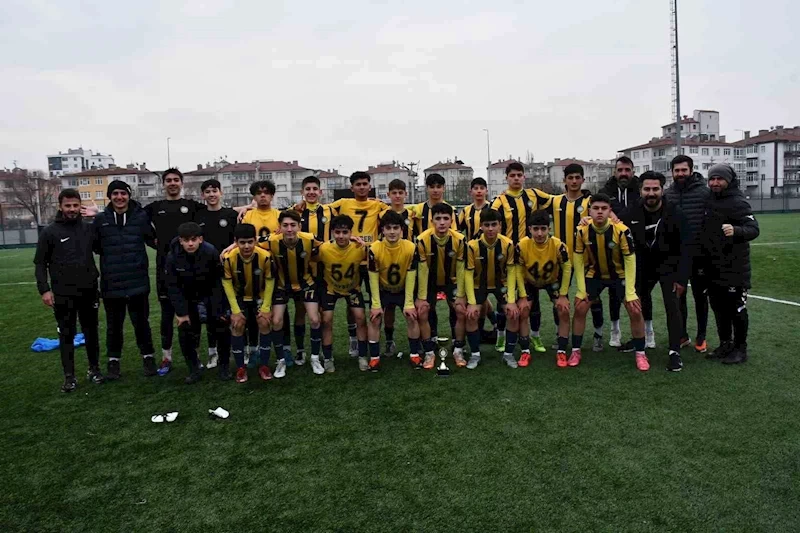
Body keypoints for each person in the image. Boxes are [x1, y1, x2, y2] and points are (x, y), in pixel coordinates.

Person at [297, 171, 388, 357]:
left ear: (369, 186)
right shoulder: (342, 203)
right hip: (345, 257)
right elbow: (319, 207)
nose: (361, 187)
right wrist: (301, 204)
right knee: (348, 297)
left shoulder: (378, 205)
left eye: (364, 184)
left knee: (372, 303)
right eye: (358, 184)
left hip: (367, 258)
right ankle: (353, 338)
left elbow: (399, 210)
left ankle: (376, 342)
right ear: (351, 187)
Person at [141, 168, 210, 375]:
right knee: (167, 315)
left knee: (193, 315)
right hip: (165, 268)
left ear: (181, 183)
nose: (172, 183)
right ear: (163, 184)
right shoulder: (155, 207)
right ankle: (166, 357)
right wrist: (153, 242)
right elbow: (136, 220)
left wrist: (248, 206)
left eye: (176, 180)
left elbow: (216, 209)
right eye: (168, 180)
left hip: (190, 270)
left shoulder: (191, 206)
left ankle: (195, 356)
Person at [34, 189, 103, 392]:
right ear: (60, 206)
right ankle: (69, 376)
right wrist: (44, 290)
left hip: (89, 290)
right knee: (66, 334)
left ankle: (94, 369)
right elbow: (40, 263)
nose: (72, 209)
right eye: (68, 205)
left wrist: (98, 216)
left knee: (91, 332)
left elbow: (102, 248)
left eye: (75, 205)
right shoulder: (50, 232)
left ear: (80, 205)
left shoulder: (89, 228)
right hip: (63, 293)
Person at [620, 171, 690, 371]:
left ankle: (674, 351)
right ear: (640, 190)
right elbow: (614, 227)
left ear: (662, 190)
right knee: (639, 303)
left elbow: (686, 247)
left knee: (672, 306)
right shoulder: (631, 212)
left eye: (655, 189)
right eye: (647, 189)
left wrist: (682, 278)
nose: (651, 193)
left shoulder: (675, 213)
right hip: (643, 266)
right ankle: (640, 340)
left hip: (669, 266)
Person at [571, 193, 648, 371]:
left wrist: (630, 292)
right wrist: (581, 289)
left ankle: (640, 353)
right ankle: (575, 351)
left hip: (618, 275)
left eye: (604, 208)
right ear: (589, 211)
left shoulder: (621, 230)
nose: (600, 212)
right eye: (596, 208)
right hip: (594, 274)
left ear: (609, 211)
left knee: (635, 309)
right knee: (580, 307)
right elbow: (578, 259)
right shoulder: (582, 230)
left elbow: (630, 259)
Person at [92, 180, 157, 380]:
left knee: (141, 323)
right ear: (109, 196)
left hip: (138, 282)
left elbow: (153, 240)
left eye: (123, 193)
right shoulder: (100, 220)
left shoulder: (141, 217)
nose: (119, 197)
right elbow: (96, 246)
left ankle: (148, 358)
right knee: (114, 326)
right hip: (111, 284)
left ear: (129, 195)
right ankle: (113, 362)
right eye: (115, 194)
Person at [701, 164, 759, 364]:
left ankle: (740, 349)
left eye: (720, 179)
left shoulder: (738, 202)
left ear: (729, 180)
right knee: (718, 308)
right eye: (712, 179)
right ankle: (725, 344)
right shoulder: (708, 200)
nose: (715, 183)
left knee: (736, 308)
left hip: (735, 268)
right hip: (713, 267)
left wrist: (737, 230)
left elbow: (753, 229)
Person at [165, 222, 231, 383]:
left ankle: (224, 367)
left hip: (210, 294)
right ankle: (194, 368)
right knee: (185, 332)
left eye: (193, 239)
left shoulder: (210, 252)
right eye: (186, 240)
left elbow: (218, 282)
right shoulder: (172, 257)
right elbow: (173, 287)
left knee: (222, 327)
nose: (190, 243)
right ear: (180, 240)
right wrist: (181, 313)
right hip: (188, 298)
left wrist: (219, 308)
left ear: (200, 239)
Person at [548, 164, 604, 351]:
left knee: (592, 298)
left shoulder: (590, 202)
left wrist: (591, 219)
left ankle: (598, 334)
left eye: (577, 177)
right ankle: (559, 334)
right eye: (570, 178)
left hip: (586, 260)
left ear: (583, 180)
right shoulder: (555, 201)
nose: (573, 181)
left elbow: (606, 216)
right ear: (564, 180)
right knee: (558, 298)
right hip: (560, 260)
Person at [267, 210, 325, 377]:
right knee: (276, 321)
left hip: (305, 284)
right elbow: (249, 241)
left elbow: (329, 245)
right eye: (285, 225)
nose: (289, 229)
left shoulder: (310, 239)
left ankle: (313, 357)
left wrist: (353, 239)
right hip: (282, 286)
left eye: (293, 225)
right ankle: (281, 361)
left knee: (314, 319)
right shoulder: (271, 240)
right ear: (279, 227)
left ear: (299, 226)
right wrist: (231, 247)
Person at [665, 155, 711, 353]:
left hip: (700, 255)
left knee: (700, 297)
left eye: (684, 170)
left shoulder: (704, 193)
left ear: (691, 170)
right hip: (677, 257)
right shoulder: (668, 194)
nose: (680, 173)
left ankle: (701, 336)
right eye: (677, 170)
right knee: (678, 297)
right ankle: (682, 335)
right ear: (672, 172)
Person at [514, 210, 572, 367]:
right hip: (530, 281)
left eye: (543, 229)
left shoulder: (558, 245)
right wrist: (523, 296)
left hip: (551, 281)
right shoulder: (522, 245)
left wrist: (563, 295)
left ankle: (561, 351)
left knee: (563, 309)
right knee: (523, 310)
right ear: (530, 229)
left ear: (549, 229)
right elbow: (518, 270)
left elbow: (567, 267)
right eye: (536, 229)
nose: (539, 233)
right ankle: (525, 351)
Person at [463, 208, 520, 369]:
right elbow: (468, 275)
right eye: (486, 225)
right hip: (478, 284)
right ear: (481, 226)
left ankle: (508, 354)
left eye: (494, 225)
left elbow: (511, 272)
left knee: (513, 313)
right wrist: (472, 302)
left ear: (500, 225)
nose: (490, 229)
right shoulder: (472, 246)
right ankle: (475, 354)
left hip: (501, 284)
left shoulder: (508, 244)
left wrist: (511, 300)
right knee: (471, 315)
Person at [415, 203, 467, 369]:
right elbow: (422, 270)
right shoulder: (422, 240)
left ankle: (458, 349)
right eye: (438, 218)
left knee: (460, 310)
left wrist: (461, 295)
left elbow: (461, 268)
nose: (442, 222)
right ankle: (429, 352)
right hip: (430, 281)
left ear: (451, 221)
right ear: (432, 221)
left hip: (451, 281)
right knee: (423, 311)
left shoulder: (459, 240)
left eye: (446, 218)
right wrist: (421, 298)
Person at [314, 215, 368, 372]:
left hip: (352, 288)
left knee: (360, 317)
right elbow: (311, 258)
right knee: (326, 320)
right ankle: (328, 358)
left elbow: (374, 256)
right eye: (337, 232)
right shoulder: (324, 249)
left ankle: (362, 356)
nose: (341, 236)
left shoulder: (359, 248)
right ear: (332, 232)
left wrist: (365, 245)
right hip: (330, 288)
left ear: (351, 232)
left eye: (345, 232)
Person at [222, 224, 276, 383]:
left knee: (264, 322)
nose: (246, 246)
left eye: (250, 242)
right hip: (239, 297)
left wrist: (266, 307)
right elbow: (227, 283)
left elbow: (270, 281)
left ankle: (264, 365)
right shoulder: (229, 258)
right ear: (236, 242)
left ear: (255, 241)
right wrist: (235, 310)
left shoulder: (265, 256)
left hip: (259, 296)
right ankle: (240, 368)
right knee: (237, 324)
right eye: (242, 242)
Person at [367, 211, 420, 370]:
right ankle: (374, 358)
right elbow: (373, 277)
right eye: (388, 228)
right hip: (383, 289)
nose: (392, 232)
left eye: (395, 228)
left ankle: (415, 354)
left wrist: (409, 303)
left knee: (412, 317)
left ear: (401, 230)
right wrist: (376, 304)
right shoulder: (374, 248)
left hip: (403, 289)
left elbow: (411, 276)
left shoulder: (410, 248)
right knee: (375, 318)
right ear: (382, 230)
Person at [194, 178, 238, 369]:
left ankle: (236, 349)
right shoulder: (198, 215)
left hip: (230, 270)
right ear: (202, 195)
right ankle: (213, 353)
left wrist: (228, 249)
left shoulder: (230, 215)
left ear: (221, 192)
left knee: (233, 311)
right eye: (208, 192)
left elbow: (239, 239)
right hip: (206, 272)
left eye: (214, 191)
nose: (211, 195)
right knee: (211, 315)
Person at [595, 157, 639, 348]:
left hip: (638, 247)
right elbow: (599, 210)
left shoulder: (640, 189)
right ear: (614, 172)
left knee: (639, 293)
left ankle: (647, 332)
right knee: (614, 292)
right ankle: (615, 330)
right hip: (611, 248)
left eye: (627, 170)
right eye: (620, 170)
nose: (623, 173)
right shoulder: (606, 190)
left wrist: (619, 217)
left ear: (633, 172)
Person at [241, 180, 281, 365]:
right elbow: (244, 239)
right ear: (254, 197)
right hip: (252, 267)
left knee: (278, 312)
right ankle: (254, 349)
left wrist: (260, 239)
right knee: (252, 312)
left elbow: (283, 236)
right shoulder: (248, 215)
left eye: (266, 192)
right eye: (259, 193)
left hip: (276, 267)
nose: (263, 195)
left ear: (272, 195)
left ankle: (283, 349)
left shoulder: (279, 215)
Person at [376, 178, 415, 356]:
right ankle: (389, 341)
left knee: (412, 307)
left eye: (400, 192)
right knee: (389, 308)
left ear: (406, 194)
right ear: (388, 194)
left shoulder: (414, 213)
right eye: (394, 193)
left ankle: (419, 345)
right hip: (386, 261)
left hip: (407, 261)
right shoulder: (381, 213)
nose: (397, 196)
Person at [458, 177, 499, 340]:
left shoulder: (493, 208)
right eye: (476, 188)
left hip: (491, 257)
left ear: (486, 191)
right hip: (472, 258)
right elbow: (458, 231)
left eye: (482, 188)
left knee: (482, 295)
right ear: (471, 191)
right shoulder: (466, 211)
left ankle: (488, 326)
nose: (479, 191)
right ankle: (491, 324)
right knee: (479, 295)